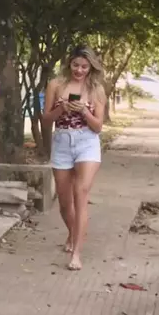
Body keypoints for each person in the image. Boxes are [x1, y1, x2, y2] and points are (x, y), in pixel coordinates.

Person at [42, 45, 106, 271]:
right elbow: (45, 121)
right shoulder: (56, 85)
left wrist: (84, 111)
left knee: (81, 194)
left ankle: (76, 254)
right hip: (62, 142)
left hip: (87, 142)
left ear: (91, 68)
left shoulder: (96, 89)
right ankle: (73, 232)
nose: (79, 70)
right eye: (76, 65)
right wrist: (62, 109)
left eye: (84, 67)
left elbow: (98, 127)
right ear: (69, 63)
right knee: (64, 202)